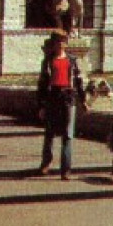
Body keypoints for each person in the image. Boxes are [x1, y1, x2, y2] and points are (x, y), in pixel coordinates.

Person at [36, 31, 84, 179]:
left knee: (67, 135)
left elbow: (79, 82)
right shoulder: (48, 61)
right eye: (58, 41)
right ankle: (46, 163)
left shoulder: (72, 60)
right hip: (52, 97)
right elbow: (42, 84)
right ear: (54, 43)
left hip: (68, 98)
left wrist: (83, 101)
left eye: (63, 41)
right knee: (49, 134)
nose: (60, 44)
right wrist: (41, 105)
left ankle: (66, 169)